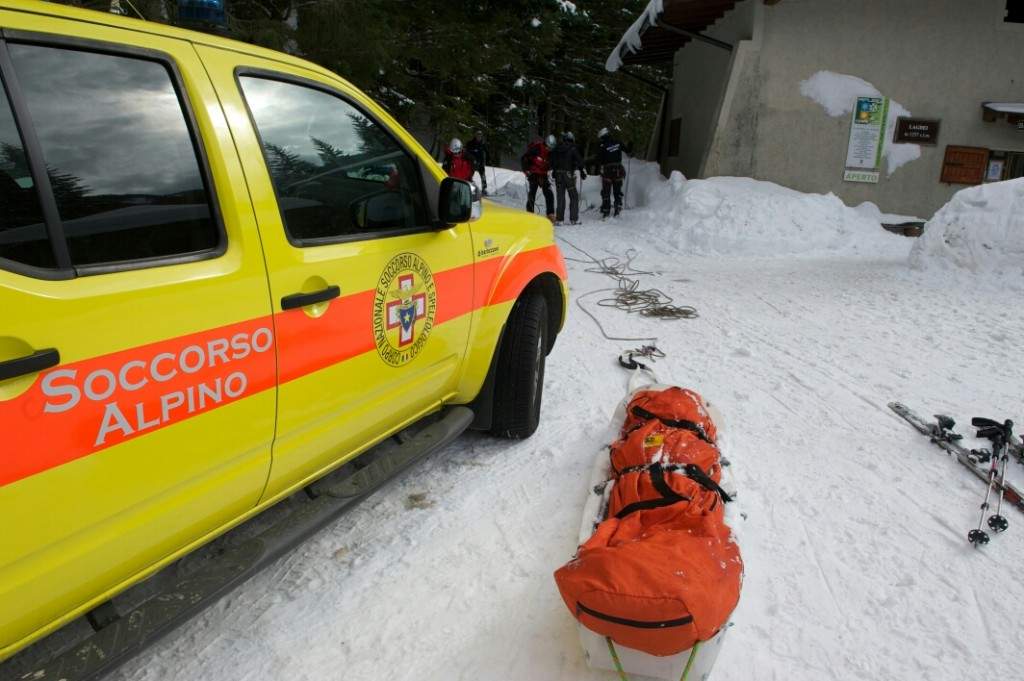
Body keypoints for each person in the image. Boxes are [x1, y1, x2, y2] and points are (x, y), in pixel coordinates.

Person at [548, 131, 586, 225]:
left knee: (560, 197)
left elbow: (551, 160)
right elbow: (579, 160)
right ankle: (574, 219)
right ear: (571, 138)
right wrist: (582, 171)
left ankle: (559, 220)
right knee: (573, 196)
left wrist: (554, 170)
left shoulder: (557, 148)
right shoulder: (573, 148)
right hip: (569, 175)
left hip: (558, 175)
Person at [521, 135, 555, 221]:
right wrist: (526, 170)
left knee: (549, 193)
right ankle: (530, 213)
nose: (549, 149)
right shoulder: (537, 148)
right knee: (532, 192)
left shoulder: (551, 153)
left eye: (551, 148)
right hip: (533, 173)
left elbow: (551, 163)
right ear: (546, 143)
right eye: (548, 147)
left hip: (543, 174)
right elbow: (524, 158)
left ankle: (550, 214)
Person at [594, 127, 625, 218]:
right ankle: (617, 208)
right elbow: (628, 151)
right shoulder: (618, 142)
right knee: (617, 190)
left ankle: (606, 210)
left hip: (607, 171)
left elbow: (598, 159)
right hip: (618, 170)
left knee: (606, 191)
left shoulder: (602, 146)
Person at [466, 130, 488, 196]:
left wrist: (490, 159)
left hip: (480, 163)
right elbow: (467, 150)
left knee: (483, 176)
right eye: (478, 135)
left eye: (480, 135)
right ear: (475, 135)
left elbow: (486, 151)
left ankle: (484, 189)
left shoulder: (483, 144)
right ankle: (468, 188)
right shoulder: (471, 143)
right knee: (469, 176)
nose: (479, 137)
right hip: (472, 163)